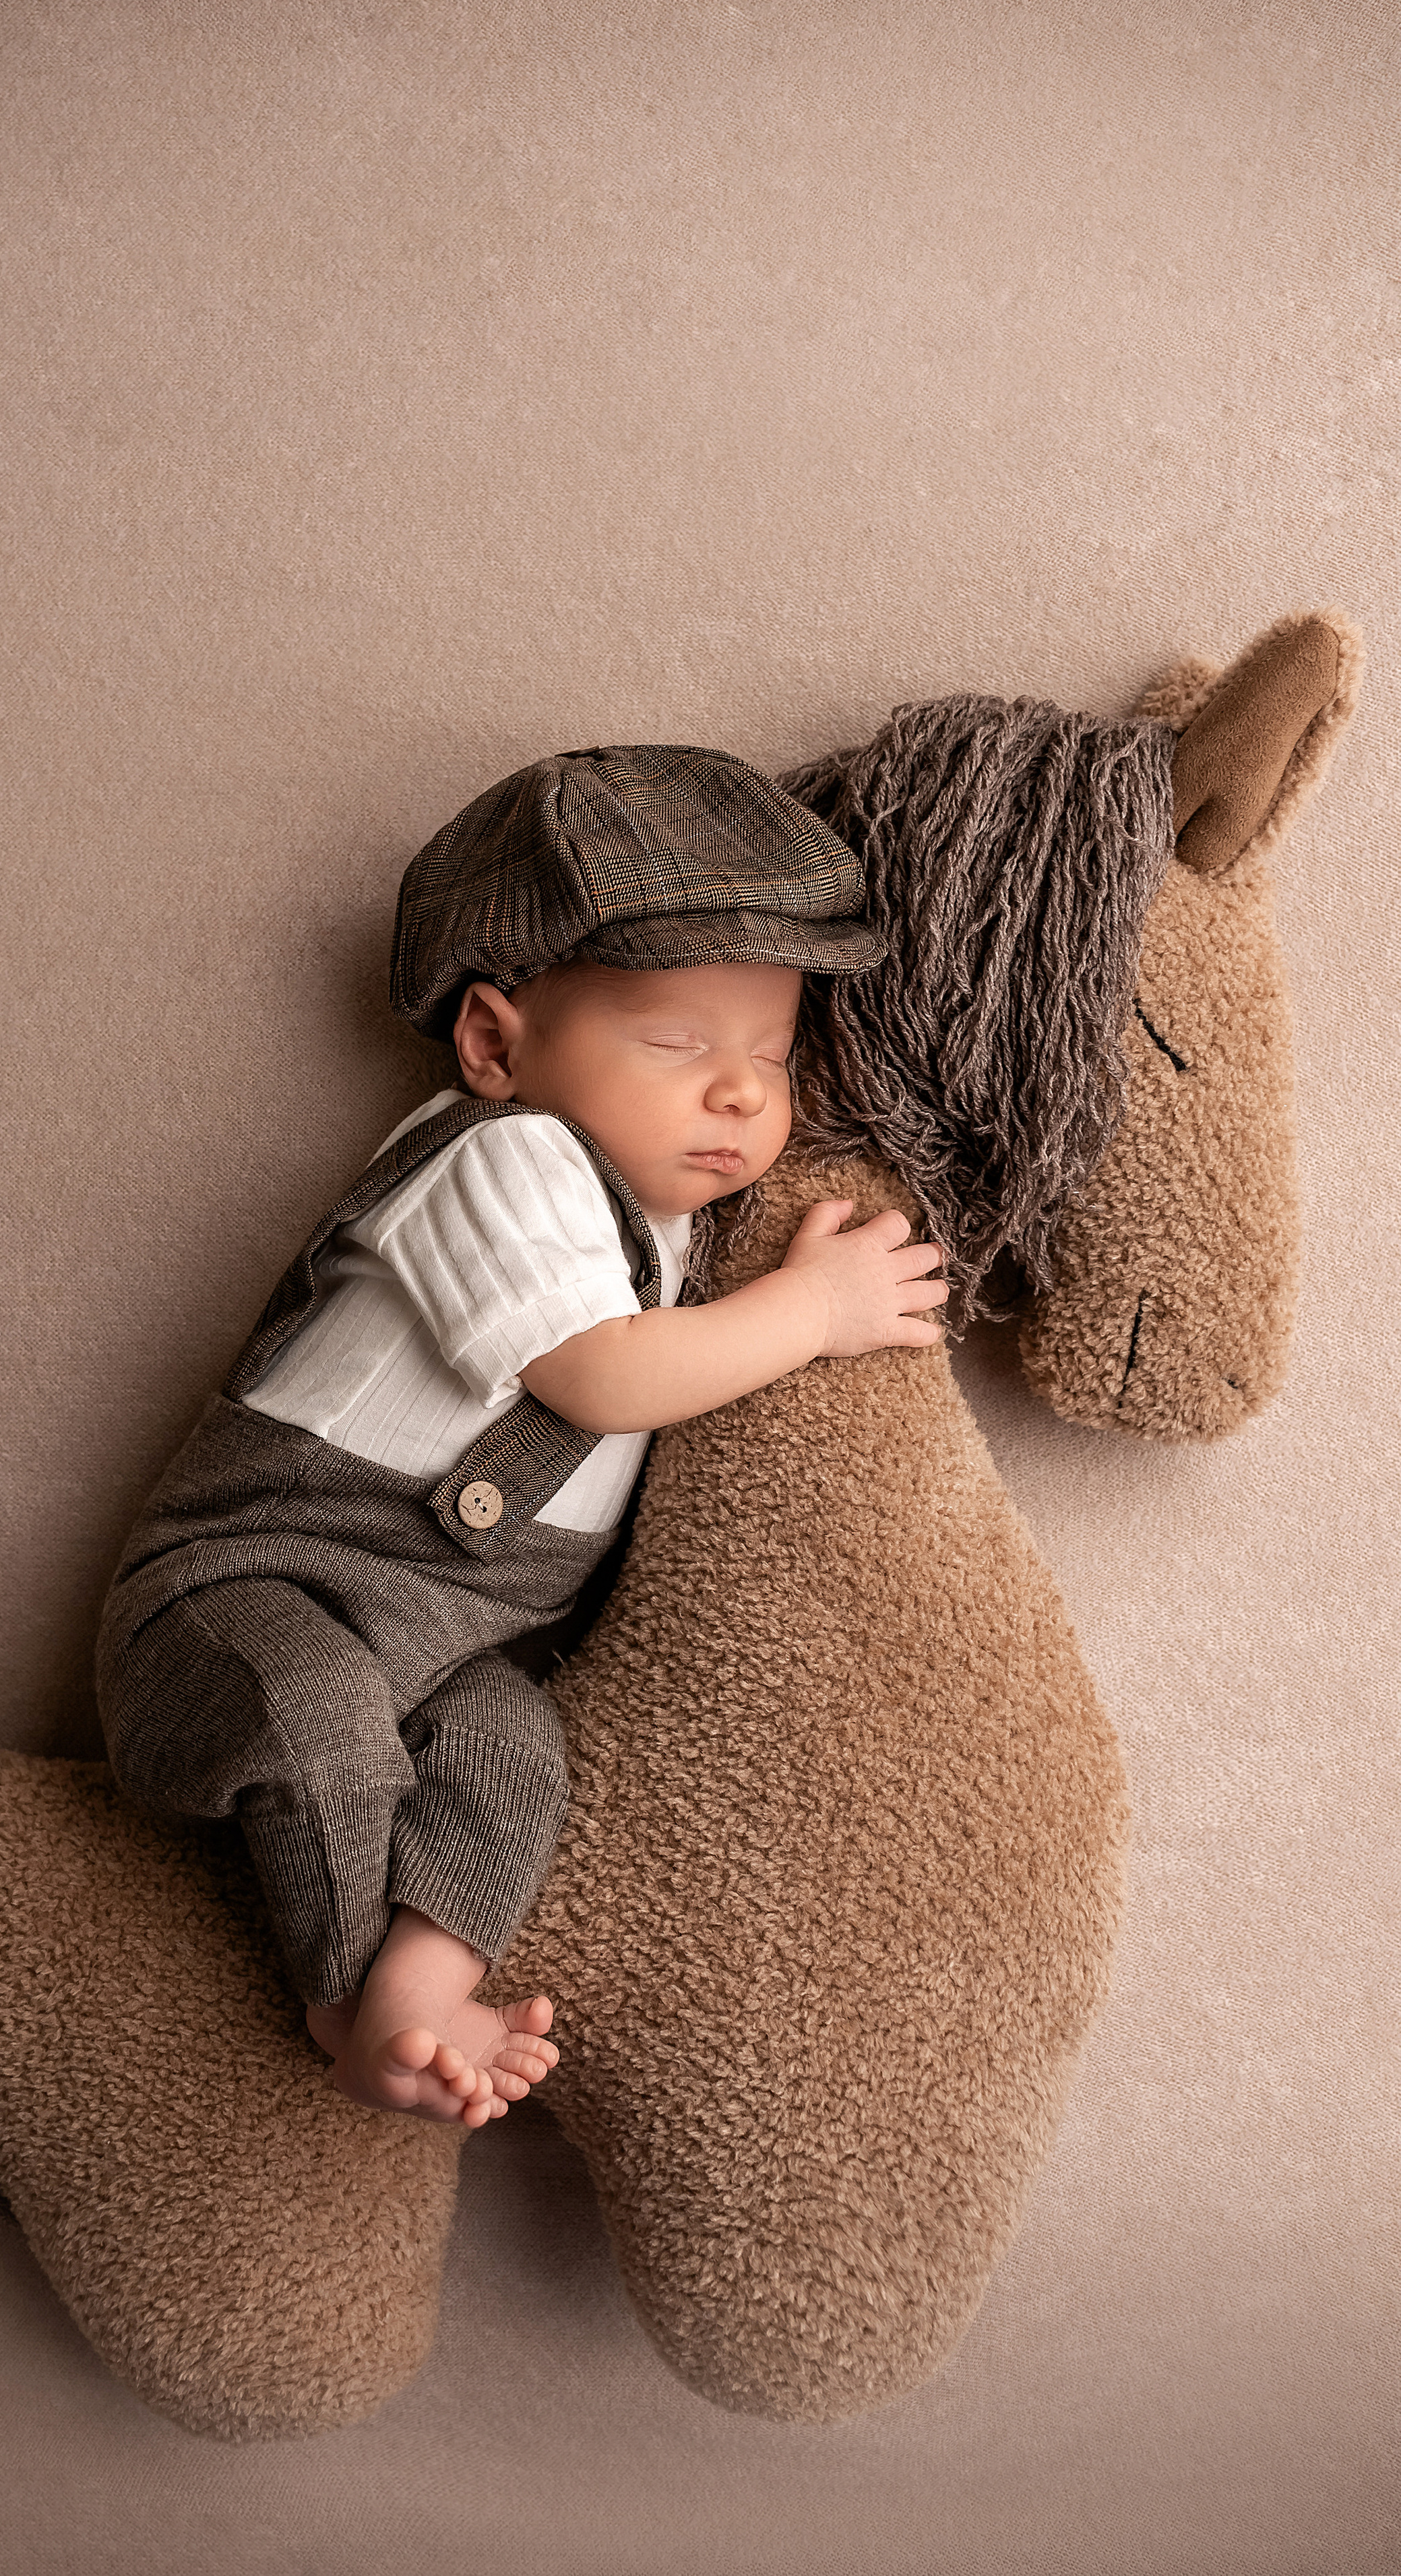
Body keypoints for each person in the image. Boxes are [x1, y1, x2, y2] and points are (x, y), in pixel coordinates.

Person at [94, 745, 948, 2128]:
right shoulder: (504, 1158)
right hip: (247, 1592)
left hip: (454, 1644)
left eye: (771, 1055)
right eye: (677, 1042)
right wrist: (812, 1308)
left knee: (509, 1755)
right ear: (496, 1044)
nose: (739, 1093)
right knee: (312, 1712)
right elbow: (602, 1380)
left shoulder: (663, 1228)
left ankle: (426, 1984)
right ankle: (343, 1991)